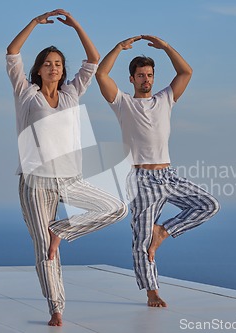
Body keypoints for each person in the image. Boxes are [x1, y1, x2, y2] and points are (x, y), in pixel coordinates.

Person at [6, 9, 127, 326]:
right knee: (45, 251)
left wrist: (76, 26)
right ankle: (56, 308)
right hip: (35, 183)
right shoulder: (26, 95)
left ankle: (61, 231)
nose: (53, 68)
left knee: (116, 208)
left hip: (70, 179)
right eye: (47, 64)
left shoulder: (72, 93)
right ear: (39, 69)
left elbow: (94, 58)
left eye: (58, 64)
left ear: (63, 70)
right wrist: (34, 23)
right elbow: (12, 52)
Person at [96, 35, 221, 308]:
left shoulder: (165, 99)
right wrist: (118, 48)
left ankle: (163, 232)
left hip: (168, 175)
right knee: (141, 240)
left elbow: (186, 72)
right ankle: (152, 292)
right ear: (132, 79)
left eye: (150, 75)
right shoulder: (123, 103)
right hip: (142, 179)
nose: (146, 80)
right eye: (141, 75)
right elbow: (101, 74)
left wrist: (165, 48)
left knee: (209, 205)